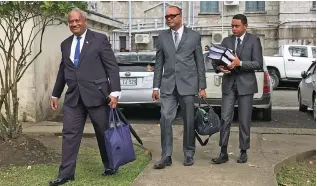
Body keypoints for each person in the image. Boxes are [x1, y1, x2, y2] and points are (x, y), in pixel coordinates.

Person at [49, 8, 121, 186]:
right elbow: (63, 71)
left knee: (103, 132)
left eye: (77, 21)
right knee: (69, 134)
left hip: (98, 95)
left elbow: (111, 66)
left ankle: (110, 165)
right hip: (74, 98)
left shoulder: (99, 40)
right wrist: (55, 94)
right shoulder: (65, 44)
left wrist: (115, 92)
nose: (74, 24)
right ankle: (66, 174)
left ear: (85, 21)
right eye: (71, 22)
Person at [152, 5, 207, 169]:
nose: (169, 19)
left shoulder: (194, 36)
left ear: (180, 16)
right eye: (167, 16)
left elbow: (200, 63)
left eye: (172, 16)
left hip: (188, 86)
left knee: (189, 121)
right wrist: (156, 87)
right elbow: (158, 64)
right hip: (168, 86)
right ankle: (166, 155)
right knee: (165, 119)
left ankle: (189, 154)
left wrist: (202, 86)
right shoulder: (162, 37)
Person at [211, 14, 263, 164]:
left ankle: (243, 151)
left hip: (246, 85)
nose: (233, 28)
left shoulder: (254, 40)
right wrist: (219, 67)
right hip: (229, 85)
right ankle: (223, 152)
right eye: (232, 26)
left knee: (244, 119)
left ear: (245, 26)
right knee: (225, 118)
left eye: (237, 26)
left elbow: (258, 63)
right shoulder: (226, 40)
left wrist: (240, 63)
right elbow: (216, 61)